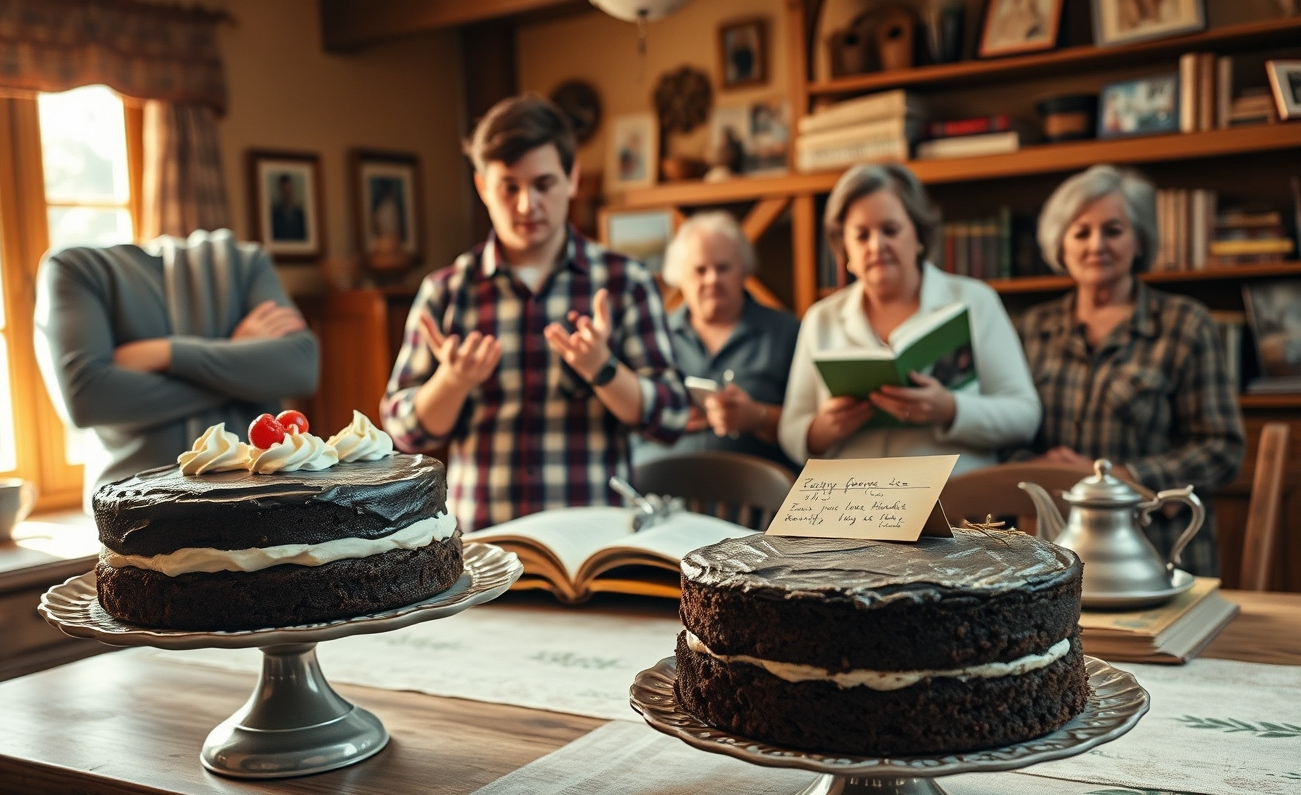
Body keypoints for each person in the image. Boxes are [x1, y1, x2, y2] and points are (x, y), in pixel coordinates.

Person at [380, 94, 689, 533]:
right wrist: (451, 382)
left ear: (572, 179)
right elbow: (401, 432)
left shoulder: (626, 282)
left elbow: (673, 417)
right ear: (482, 187)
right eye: (509, 187)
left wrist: (604, 370)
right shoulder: (446, 291)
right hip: (482, 542)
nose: (527, 205)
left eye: (544, 184)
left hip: (595, 541)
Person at [1012, 164, 1244, 577]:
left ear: (1139, 240)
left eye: (1113, 230)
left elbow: (1221, 449)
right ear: (1060, 244)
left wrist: (1122, 479)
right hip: (1049, 555)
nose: (1096, 245)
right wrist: (1040, 467)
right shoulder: (1029, 329)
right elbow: (1006, 436)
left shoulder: (1185, 323)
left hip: (1159, 553)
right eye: (1081, 232)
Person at [778, 163, 1040, 476]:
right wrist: (822, 429)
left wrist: (951, 409)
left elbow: (1025, 416)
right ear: (844, 248)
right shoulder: (821, 318)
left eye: (890, 230)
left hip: (950, 493)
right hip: (850, 496)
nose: (877, 246)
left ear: (918, 236)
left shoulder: (975, 301)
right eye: (861, 236)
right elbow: (790, 431)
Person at [34, 228, 319, 505]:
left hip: (258, 504)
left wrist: (166, 353)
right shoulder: (75, 268)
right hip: (130, 507)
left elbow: (301, 368)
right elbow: (87, 398)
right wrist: (242, 371)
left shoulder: (248, 262)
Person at [634, 211, 800, 472]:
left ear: (743, 270)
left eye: (723, 268)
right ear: (679, 276)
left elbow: (812, 428)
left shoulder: (787, 332)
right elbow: (619, 417)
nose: (712, 279)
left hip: (755, 491)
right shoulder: (649, 335)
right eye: (700, 270)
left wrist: (758, 417)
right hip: (654, 486)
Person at [270, 174, 307, 241]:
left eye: (289, 189)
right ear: (280, 191)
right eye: (285, 190)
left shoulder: (300, 213)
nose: (287, 193)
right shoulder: (274, 213)